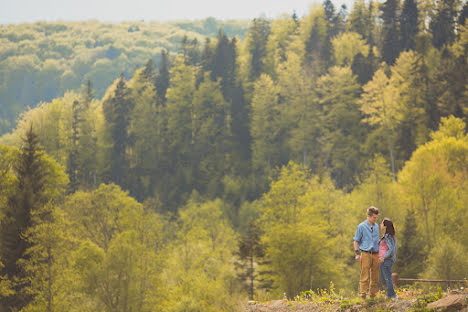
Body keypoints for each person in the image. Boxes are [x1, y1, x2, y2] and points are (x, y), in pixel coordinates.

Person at [353, 206, 380, 300]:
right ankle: (363, 296)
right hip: (365, 253)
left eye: (376, 217)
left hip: (376, 253)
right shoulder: (361, 226)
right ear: (368, 216)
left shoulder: (376, 227)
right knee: (364, 275)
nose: (375, 219)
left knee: (375, 276)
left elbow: (377, 240)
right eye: (374, 217)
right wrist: (357, 253)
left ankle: (372, 296)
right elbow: (356, 241)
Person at [379, 218, 397, 300]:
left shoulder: (388, 236)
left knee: (387, 278)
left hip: (386, 260)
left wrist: (384, 257)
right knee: (385, 278)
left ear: (385, 226)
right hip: (385, 260)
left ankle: (392, 296)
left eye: (382, 224)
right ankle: (391, 295)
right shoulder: (388, 236)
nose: (380, 225)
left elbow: (391, 250)